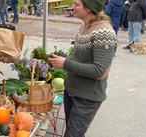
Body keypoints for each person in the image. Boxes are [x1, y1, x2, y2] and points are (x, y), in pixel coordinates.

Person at [48, 0, 117, 136]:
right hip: (71, 91)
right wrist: (62, 59)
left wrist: (66, 64)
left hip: (86, 98)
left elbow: (100, 71)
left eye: (76, 4)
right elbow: (79, 59)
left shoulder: (104, 32)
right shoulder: (84, 26)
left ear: (89, 8)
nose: (72, 7)